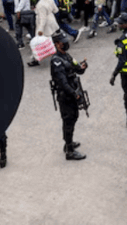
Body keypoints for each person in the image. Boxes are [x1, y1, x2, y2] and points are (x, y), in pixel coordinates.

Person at [49, 31, 88, 160]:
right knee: (69, 121)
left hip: (72, 93)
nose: (66, 43)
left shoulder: (67, 56)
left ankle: (68, 143)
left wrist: (82, 66)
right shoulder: (56, 61)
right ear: (57, 44)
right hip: (66, 96)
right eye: (63, 42)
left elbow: (77, 69)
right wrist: (74, 94)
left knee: (73, 118)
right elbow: (62, 82)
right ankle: (69, 151)